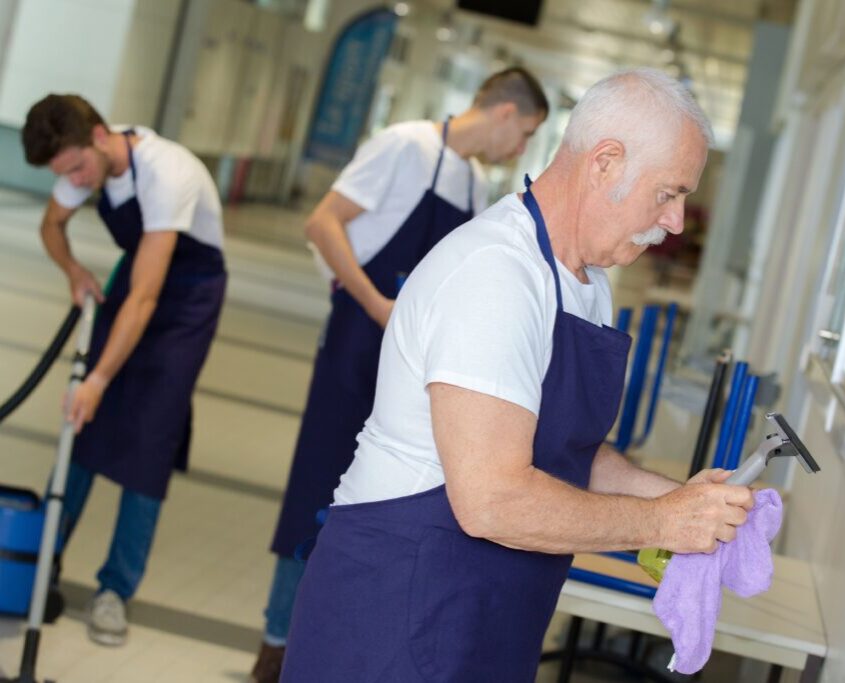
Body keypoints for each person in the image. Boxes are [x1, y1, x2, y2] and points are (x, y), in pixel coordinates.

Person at [280, 67, 756, 682]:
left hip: (489, 608)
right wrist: (662, 524)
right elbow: (492, 501)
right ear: (605, 162)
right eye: (669, 193)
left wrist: (677, 498)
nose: (677, 222)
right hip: (398, 608)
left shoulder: (585, 285)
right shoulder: (496, 275)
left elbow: (561, 448)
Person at [250, 67, 548, 681]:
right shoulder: (404, 144)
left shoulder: (468, 182)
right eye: (525, 134)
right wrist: (374, 303)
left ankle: (347, 638)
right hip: (360, 339)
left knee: (389, 496)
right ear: (503, 114)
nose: (520, 150)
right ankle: (278, 642)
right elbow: (322, 223)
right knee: (318, 487)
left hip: (412, 357)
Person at [21, 94, 226, 646]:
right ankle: (40, 564)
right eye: (64, 175)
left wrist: (100, 378)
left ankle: (116, 590)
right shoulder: (82, 160)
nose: (76, 184)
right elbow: (51, 225)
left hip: (186, 300)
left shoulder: (167, 173)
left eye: (78, 170)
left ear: (100, 135)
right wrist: (72, 270)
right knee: (81, 424)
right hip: (138, 277)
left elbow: (145, 298)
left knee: (148, 442)